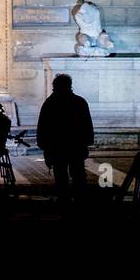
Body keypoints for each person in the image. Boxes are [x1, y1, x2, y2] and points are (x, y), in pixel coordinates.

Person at [36, 74, 94, 202]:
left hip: (57, 146)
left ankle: (64, 200)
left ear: (54, 86)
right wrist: (87, 141)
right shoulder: (79, 102)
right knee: (78, 174)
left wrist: (43, 145)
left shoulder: (50, 103)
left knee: (60, 175)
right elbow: (87, 124)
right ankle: (80, 200)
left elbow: (43, 126)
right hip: (76, 145)